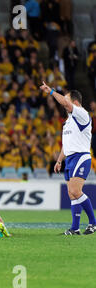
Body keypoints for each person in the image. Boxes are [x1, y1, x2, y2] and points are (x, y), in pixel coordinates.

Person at [40, 82, 95, 235]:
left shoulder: (82, 114)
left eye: (67, 99)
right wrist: (59, 160)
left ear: (75, 102)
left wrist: (51, 91)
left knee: (75, 190)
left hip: (81, 157)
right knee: (72, 194)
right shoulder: (69, 121)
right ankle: (75, 228)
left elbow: (64, 102)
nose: (64, 102)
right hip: (70, 158)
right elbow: (66, 144)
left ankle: (93, 222)